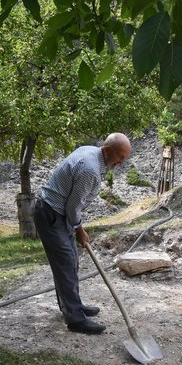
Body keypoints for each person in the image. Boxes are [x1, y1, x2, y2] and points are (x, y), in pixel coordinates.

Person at [34, 133, 132, 334]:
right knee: (67, 264)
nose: (121, 162)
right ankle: (75, 319)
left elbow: (72, 206)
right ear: (106, 150)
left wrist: (75, 226)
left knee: (72, 263)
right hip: (51, 214)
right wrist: (79, 230)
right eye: (120, 157)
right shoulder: (90, 170)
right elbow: (72, 207)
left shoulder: (92, 153)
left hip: (59, 212)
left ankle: (72, 306)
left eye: (124, 158)